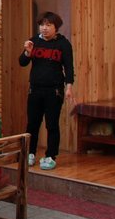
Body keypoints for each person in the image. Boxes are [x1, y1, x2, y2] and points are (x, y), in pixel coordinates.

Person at [19, 11, 74, 171]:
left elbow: (69, 67)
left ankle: (50, 156)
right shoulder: (34, 41)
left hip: (54, 91)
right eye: (42, 25)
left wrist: (69, 87)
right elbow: (22, 62)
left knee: (52, 124)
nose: (44, 28)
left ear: (56, 27)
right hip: (35, 89)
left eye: (48, 25)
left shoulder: (63, 44)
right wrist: (27, 52)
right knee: (32, 123)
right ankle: (30, 153)